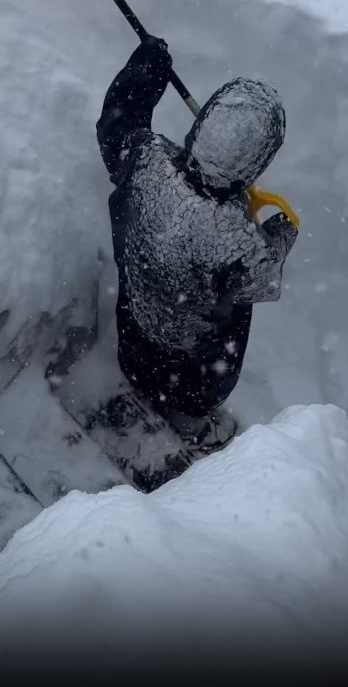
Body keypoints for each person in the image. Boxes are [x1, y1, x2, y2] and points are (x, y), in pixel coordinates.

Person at [97, 36, 298, 450]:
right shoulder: (242, 251)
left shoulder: (145, 161)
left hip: (134, 342)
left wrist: (146, 71)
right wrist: (280, 234)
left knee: (152, 342)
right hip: (193, 380)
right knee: (204, 366)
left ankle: (141, 389)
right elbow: (266, 279)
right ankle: (190, 424)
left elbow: (119, 123)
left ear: (200, 127)